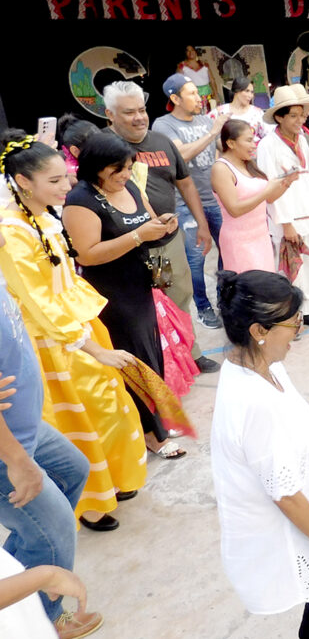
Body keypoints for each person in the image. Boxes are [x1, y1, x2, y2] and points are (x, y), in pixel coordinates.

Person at [210, 269, 309, 639]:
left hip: (305, 499)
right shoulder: (253, 403)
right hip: (279, 523)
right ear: (259, 331)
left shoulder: (264, 366)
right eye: (293, 323)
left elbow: (302, 416)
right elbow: (283, 494)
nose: (299, 331)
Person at [0, 131, 149, 532]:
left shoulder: (43, 214)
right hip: (54, 340)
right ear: (23, 182)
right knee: (80, 418)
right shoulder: (12, 232)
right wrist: (90, 347)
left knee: (106, 405)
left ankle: (113, 481)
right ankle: (91, 502)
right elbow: (37, 301)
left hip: (77, 326)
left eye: (65, 177)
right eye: (55, 181)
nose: (67, 186)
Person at [63, 133, 189, 460]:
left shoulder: (128, 186)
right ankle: (152, 436)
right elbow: (86, 255)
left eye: (129, 167)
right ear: (96, 167)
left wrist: (162, 224)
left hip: (140, 286)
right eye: (116, 169)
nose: (125, 174)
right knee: (132, 360)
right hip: (110, 295)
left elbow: (147, 221)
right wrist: (137, 236)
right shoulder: (81, 199)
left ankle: (155, 422)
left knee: (150, 354)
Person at [0, 276, 102, 638]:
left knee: (72, 470)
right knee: (53, 533)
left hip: (23, 424)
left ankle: (19, 574)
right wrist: (17, 460)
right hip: (7, 445)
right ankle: (44, 615)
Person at [101, 80, 220, 373]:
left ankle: (190, 354)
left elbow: (186, 182)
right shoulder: (102, 146)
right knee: (141, 308)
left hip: (168, 239)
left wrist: (202, 225)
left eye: (142, 109)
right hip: (127, 245)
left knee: (179, 296)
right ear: (110, 115)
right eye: (129, 112)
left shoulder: (161, 141)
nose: (139, 117)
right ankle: (157, 364)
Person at [153, 74, 229, 330]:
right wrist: (213, 132)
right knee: (196, 259)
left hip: (215, 198)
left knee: (227, 251)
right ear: (175, 98)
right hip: (184, 204)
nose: (199, 98)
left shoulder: (205, 120)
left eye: (198, 92)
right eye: (192, 93)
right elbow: (180, 156)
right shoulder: (163, 126)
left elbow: (221, 147)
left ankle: (223, 298)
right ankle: (203, 306)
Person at [258, 85, 309, 328]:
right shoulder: (268, 145)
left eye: (302, 115)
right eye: (293, 116)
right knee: (290, 271)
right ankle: (292, 317)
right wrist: (286, 223)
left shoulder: (300, 139)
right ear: (279, 117)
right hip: (288, 220)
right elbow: (270, 187)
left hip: (308, 214)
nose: (300, 120)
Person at [212, 120, 297, 273]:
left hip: (261, 236)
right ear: (231, 143)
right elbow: (235, 210)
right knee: (249, 288)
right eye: (249, 140)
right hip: (239, 241)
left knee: (265, 287)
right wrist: (265, 191)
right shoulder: (221, 168)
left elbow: (268, 199)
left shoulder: (248, 164)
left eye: (254, 140)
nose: (254, 145)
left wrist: (287, 182)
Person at [210, 76, 268, 145]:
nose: (250, 95)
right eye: (247, 91)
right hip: (228, 153)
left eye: (252, 92)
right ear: (236, 91)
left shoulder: (257, 112)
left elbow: (267, 136)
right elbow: (208, 134)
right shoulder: (219, 112)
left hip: (255, 153)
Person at [176, 45, 216, 112]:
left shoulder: (204, 64)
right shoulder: (182, 66)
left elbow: (212, 80)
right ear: (185, 53)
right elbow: (178, 83)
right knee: (196, 116)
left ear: (195, 52)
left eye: (192, 50)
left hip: (207, 95)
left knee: (208, 114)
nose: (190, 52)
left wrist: (216, 94)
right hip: (192, 96)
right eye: (188, 51)